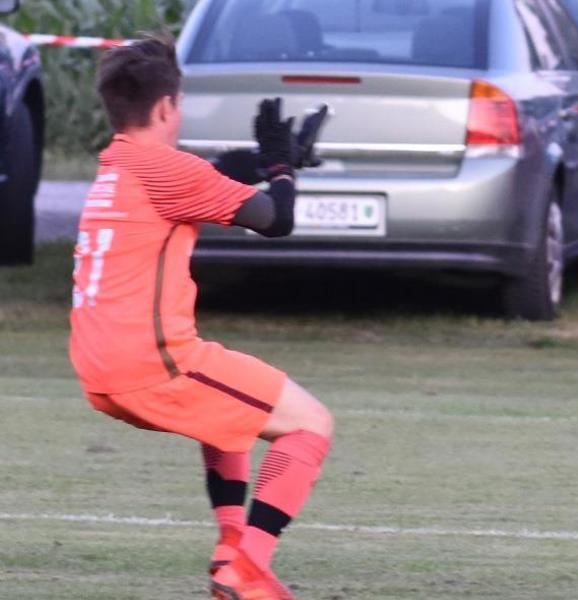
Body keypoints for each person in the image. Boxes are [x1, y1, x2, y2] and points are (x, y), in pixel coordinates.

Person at [69, 35, 331, 600]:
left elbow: (207, 176)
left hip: (100, 368)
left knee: (227, 413)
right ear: (166, 107)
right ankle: (249, 568)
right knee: (310, 426)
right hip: (149, 363)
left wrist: (273, 162)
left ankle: (228, 547)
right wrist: (283, 169)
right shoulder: (164, 170)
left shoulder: (118, 166)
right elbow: (275, 220)